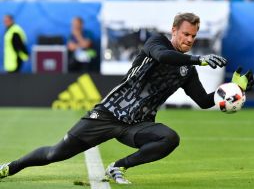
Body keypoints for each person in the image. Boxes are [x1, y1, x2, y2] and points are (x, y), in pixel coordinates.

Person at [0, 12, 253, 184]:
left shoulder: (187, 69)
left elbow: (204, 101)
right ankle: (11, 166)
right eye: (185, 34)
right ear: (173, 30)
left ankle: (117, 166)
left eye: (193, 36)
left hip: (136, 125)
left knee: (169, 138)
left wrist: (234, 91)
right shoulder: (156, 43)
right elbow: (164, 57)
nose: (189, 40)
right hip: (108, 114)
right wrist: (199, 58)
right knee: (54, 154)